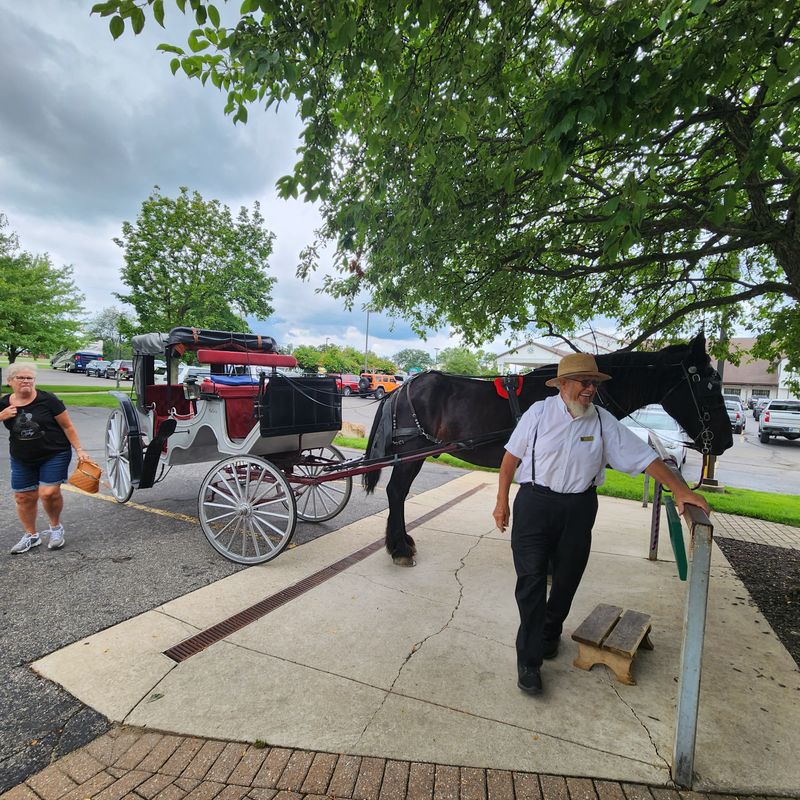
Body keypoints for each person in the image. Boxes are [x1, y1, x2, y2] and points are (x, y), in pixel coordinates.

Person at [492, 352, 710, 696]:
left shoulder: (603, 422)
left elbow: (644, 458)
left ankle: (549, 634)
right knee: (531, 581)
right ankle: (529, 663)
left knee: (566, 580)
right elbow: (509, 461)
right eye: (583, 382)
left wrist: (680, 490)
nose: (590, 389)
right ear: (563, 384)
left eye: (594, 383)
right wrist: (502, 501)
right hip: (534, 504)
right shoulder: (538, 414)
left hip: (578, 508)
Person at [0, 363, 89, 553]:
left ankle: (55, 528)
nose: (26, 381)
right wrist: (2, 415)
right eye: (20, 378)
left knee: (48, 493)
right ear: (10, 382)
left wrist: (79, 449)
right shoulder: (4, 403)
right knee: (23, 496)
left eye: (29, 378)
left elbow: (68, 426)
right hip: (22, 457)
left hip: (54, 453)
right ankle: (31, 536)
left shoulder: (48, 400)